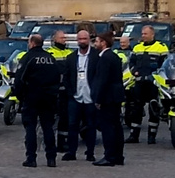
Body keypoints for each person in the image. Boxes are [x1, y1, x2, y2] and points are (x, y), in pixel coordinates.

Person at [13, 33, 63, 167]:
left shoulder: (28, 57)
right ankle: (51, 158)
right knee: (48, 128)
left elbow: (19, 79)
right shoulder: (50, 58)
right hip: (48, 98)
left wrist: (20, 96)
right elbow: (58, 77)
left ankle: (31, 158)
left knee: (30, 128)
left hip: (32, 97)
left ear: (32, 43)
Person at [125, 25, 170, 144]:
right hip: (139, 82)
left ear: (152, 34)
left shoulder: (161, 48)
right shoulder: (137, 48)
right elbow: (131, 63)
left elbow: (165, 66)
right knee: (136, 109)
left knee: (153, 108)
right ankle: (134, 135)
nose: (143, 36)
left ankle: (152, 136)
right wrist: (134, 71)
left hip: (153, 83)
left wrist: (155, 75)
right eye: (142, 34)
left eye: (145, 34)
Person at [89, 31, 125, 166]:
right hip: (115, 96)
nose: (95, 44)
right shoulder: (114, 56)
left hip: (108, 97)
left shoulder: (105, 58)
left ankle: (109, 156)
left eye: (97, 41)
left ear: (104, 43)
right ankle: (118, 155)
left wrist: (98, 99)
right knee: (116, 126)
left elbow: (102, 80)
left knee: (108, 127)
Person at [63, 29, 97, 162]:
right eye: (80, 39)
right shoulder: (71, 57)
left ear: (89, 40)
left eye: (85, 39)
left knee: (91, 125)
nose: (82, 41)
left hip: (90, 96)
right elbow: (66, 77)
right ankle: (71, 152)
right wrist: (70, 92)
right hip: (75, 97)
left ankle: (90, 153)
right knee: (72, 125)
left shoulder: (96, 56)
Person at [46, 30, 74, 153]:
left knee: (65, 118)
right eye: (62, 38)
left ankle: (63, 143)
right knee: (51, 118)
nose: (64, 40)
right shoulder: (49, 53)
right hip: (53, 91)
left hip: (66, 91)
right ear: (55, 39)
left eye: (65, 38)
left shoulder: (70, 53)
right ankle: (50, 142)